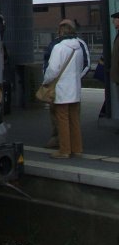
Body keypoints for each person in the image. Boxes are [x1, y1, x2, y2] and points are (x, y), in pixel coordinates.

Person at [42, 19, 90, 158]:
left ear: (60, 32)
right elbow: (82, 66)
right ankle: (77, 148)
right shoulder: (79, 47)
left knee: (62, 119)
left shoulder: (59, 47)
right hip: (75, 88)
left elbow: (52, 70)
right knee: (74, 119)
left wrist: (46, 81)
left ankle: (64, 150)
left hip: (62, 89)